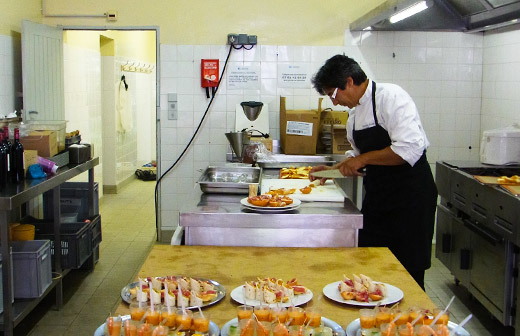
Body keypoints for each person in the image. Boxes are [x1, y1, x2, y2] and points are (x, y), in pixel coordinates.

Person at [310, 55, 438, 290]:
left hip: (411, 199)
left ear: (349, 82)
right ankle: (374, 315)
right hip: (379, 198)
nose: (334, 103)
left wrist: (361, 159)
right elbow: (359, 157)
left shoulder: (391, 97)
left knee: (408, 269)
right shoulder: (354, 115)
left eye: (333, 94)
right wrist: (333, 170)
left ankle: (413, 321)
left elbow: (409, 148)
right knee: (372, 262)